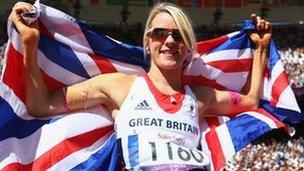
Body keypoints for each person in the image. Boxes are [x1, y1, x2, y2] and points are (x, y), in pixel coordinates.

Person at [11, 2, 272, 170]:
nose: (169, 41)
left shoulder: (200, 98)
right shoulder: (118, 87)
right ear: (148, 42)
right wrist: (31, 44)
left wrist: (260, 50)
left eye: (178, 35)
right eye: (160, 33)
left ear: (188, 48)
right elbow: (40, 105)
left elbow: (250, 101)